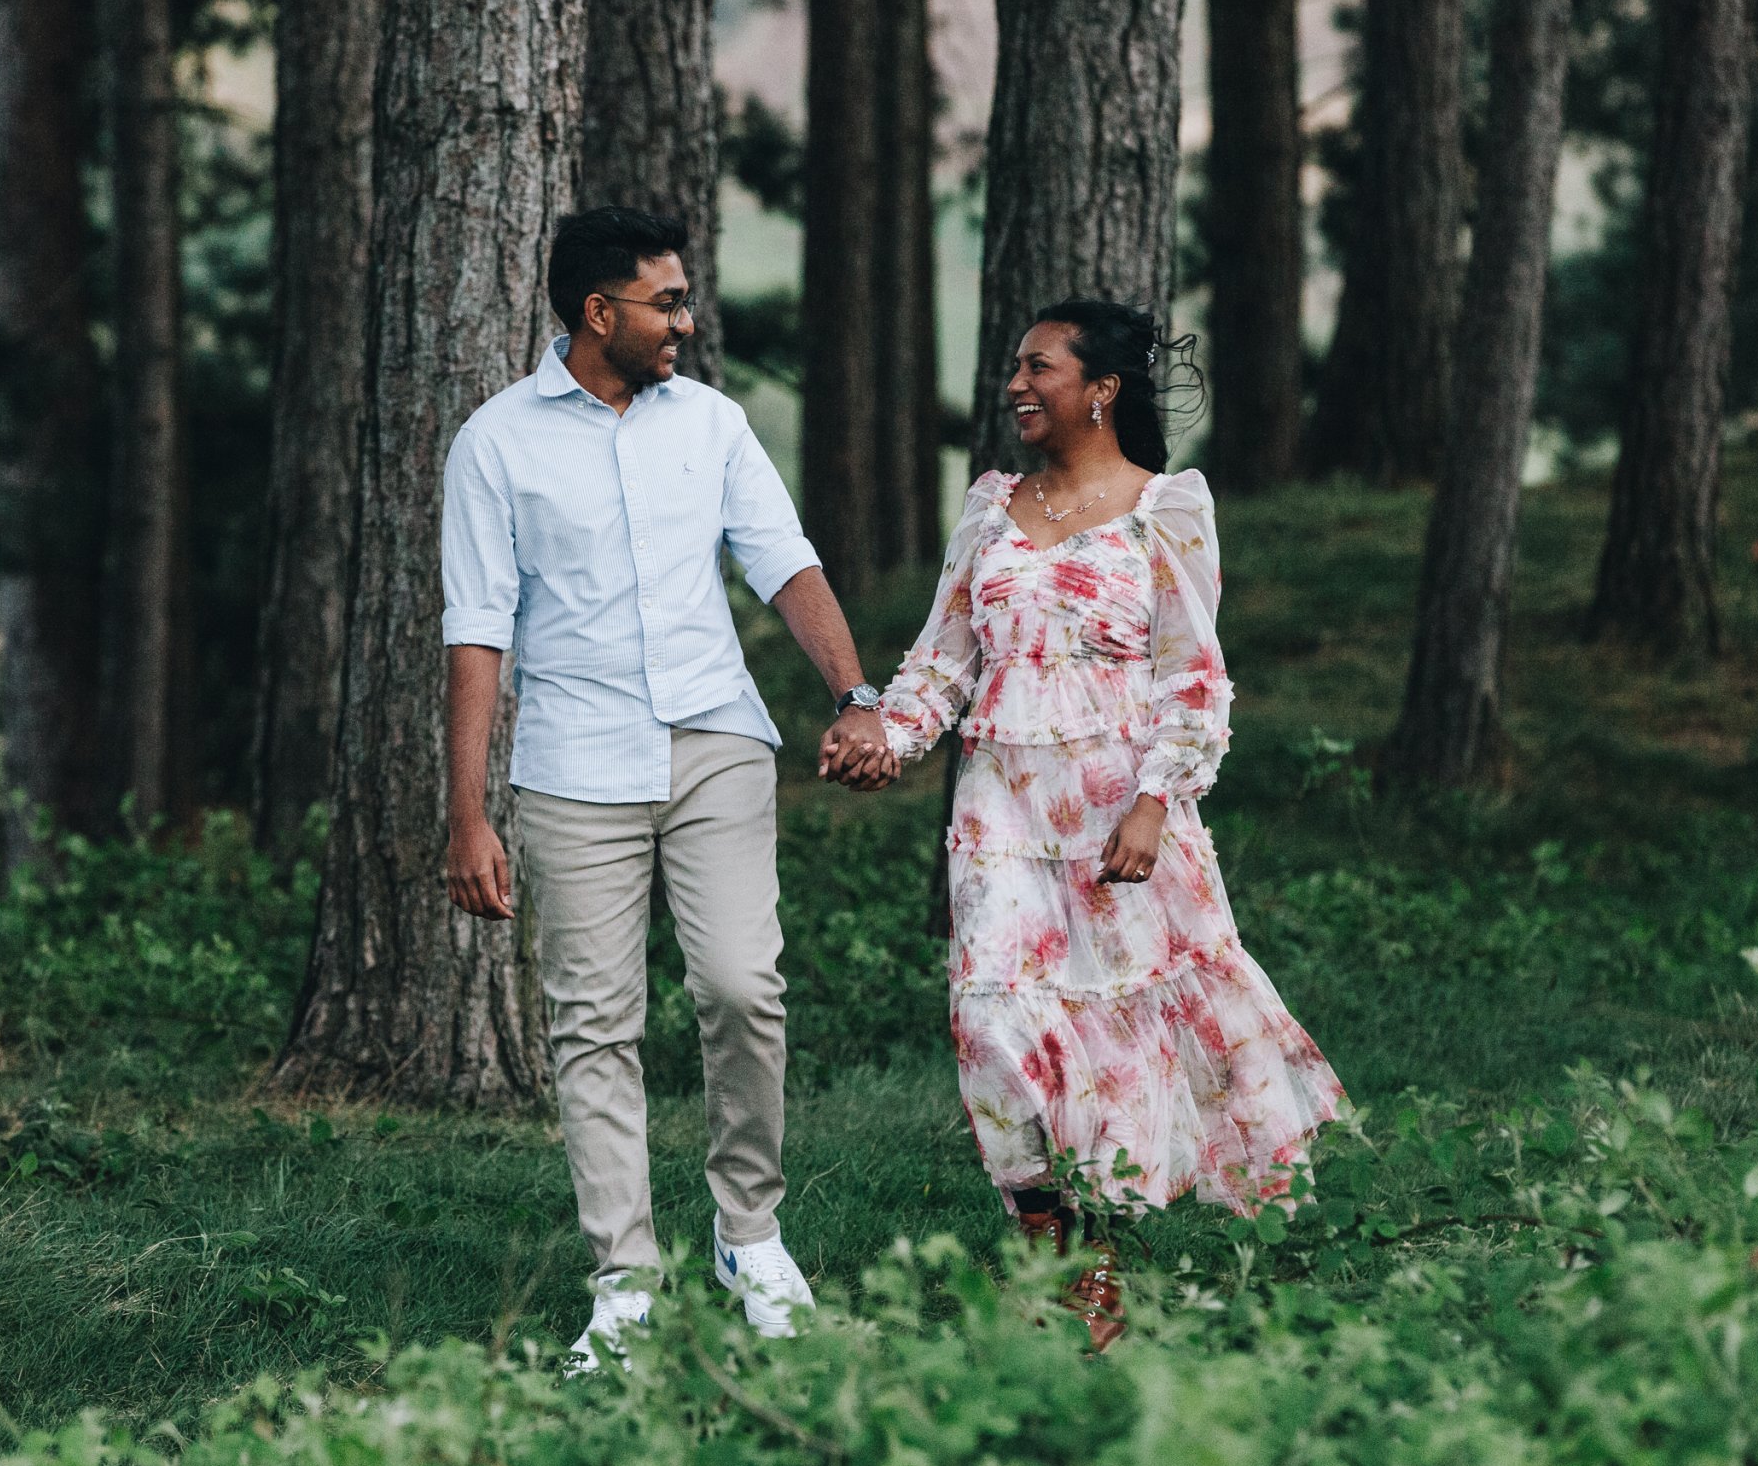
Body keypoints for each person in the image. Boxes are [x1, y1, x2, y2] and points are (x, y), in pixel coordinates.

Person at [827, 299, 1344, 1351]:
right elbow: (945, 658)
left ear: (1100, 389)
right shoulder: (987, 509)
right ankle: (1051, 1247)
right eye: (1014, 368)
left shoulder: (1167, 509)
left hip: (1122, 817)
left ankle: (1096, 1253)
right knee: (991, 1022)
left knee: (1117, 1035)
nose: (1016, 385)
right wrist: (889, 737)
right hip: (1003, 812)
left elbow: (1193, 676)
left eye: (1039, 368)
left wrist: (1159, 800)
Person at [441, 207, 893, 1370]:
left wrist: (855, 695)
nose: (687, 322)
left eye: (685, 299)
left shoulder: (714, 425)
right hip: (575, 767)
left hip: (714, 742)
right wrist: (469, 813)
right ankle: (626, 1286)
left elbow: (784, 562)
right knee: (594, 1025)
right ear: (600, 314)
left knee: (746, 989)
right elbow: (477, 634)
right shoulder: (495, 443)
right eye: (668, 303)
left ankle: (751, 1234)